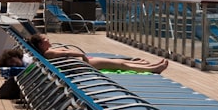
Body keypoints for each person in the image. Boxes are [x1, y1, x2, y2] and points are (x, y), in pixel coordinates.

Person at [27, 34, 168, 73]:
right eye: (46, 39)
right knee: (120, 64)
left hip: (81, 63)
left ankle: (143, 64)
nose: (48, 39)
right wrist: (82, 56)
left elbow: (65, 52)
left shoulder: (48, 52)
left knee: (119, 63)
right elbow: (67, 52)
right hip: (82, 65)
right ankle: (153, 68)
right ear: (41, 44)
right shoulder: (49, 53)